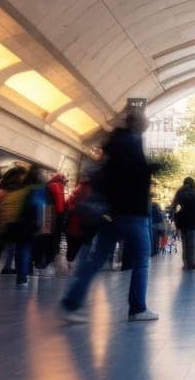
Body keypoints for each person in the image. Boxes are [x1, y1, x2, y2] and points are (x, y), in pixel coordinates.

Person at [60, 109, 158, 323]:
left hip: (110, 212)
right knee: (142, 258)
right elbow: (133, 175)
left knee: (97, 258)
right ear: (139, 124)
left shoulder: (114, 142)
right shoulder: (132, 143)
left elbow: (112, 175)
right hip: (133, 212)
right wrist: (151, 169)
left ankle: (71, 302)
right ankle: (137, 308)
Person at [169, 177, 195, 271]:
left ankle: (186, 264)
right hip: (193, 222)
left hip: (182, 223)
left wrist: (175, 219)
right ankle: (191, 264)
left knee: (185, 244)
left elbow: (174, 208)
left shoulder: (180, 194)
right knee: (192, 245)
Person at [41, 172, 67, 272]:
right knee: (55, 237)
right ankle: (51, 257)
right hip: (57, 214)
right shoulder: (59, 186)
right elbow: (61, 204)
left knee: (47, 236)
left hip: (49, 212)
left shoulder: (51, 185)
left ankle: (46, 258)